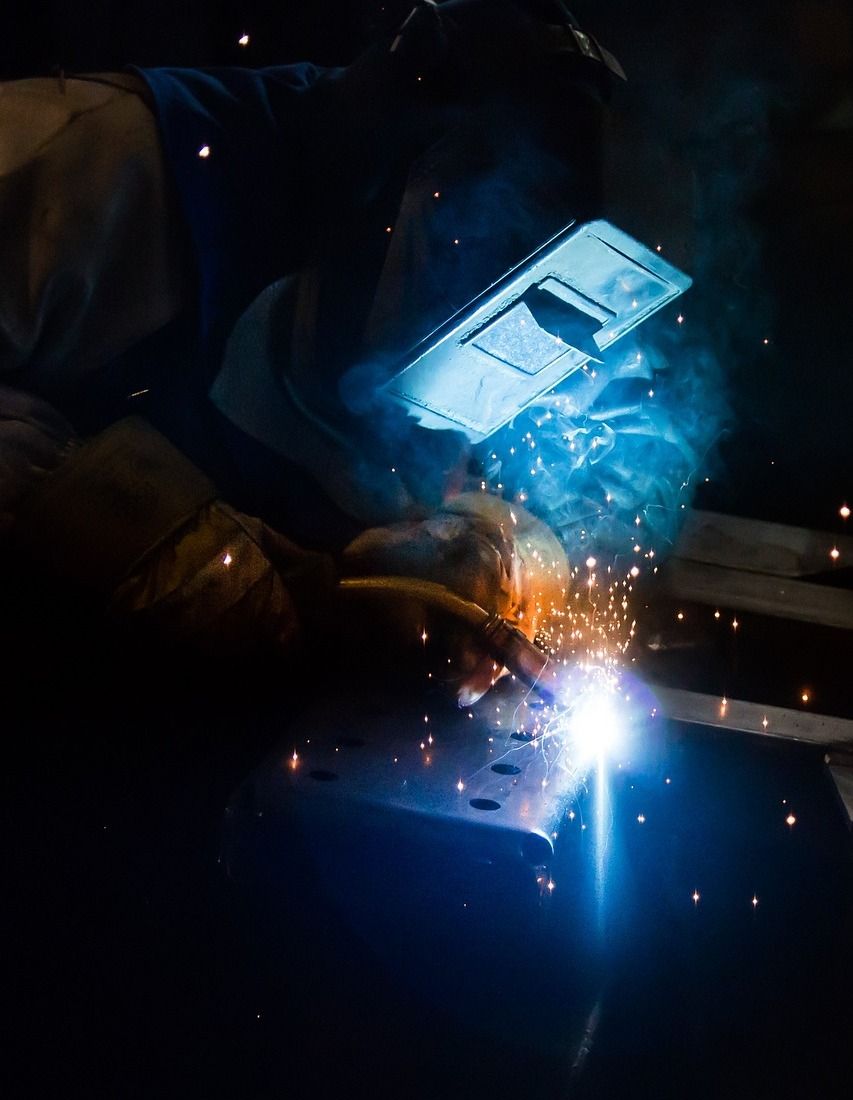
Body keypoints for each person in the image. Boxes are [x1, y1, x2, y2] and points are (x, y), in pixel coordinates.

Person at [0, 1, 625, 703]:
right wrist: (123, 518)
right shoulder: (99, 163)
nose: (472, 308)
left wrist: (504, 554)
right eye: (462, 250)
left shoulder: (532, 303)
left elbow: (613, 468)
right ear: (380, 186)